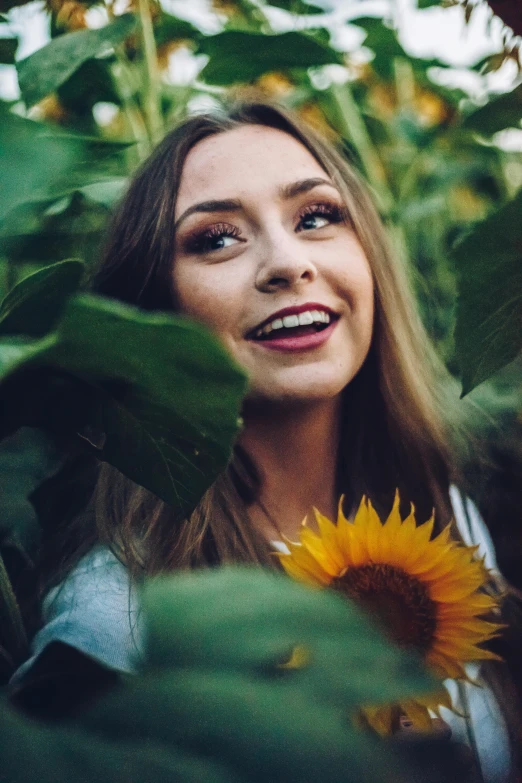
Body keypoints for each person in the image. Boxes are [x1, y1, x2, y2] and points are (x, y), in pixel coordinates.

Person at [9, 100, 519, 779]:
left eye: (316, 217)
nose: (287, 263)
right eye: (216, 238)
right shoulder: (121, 623)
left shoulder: (444, 514)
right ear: (152, 309)